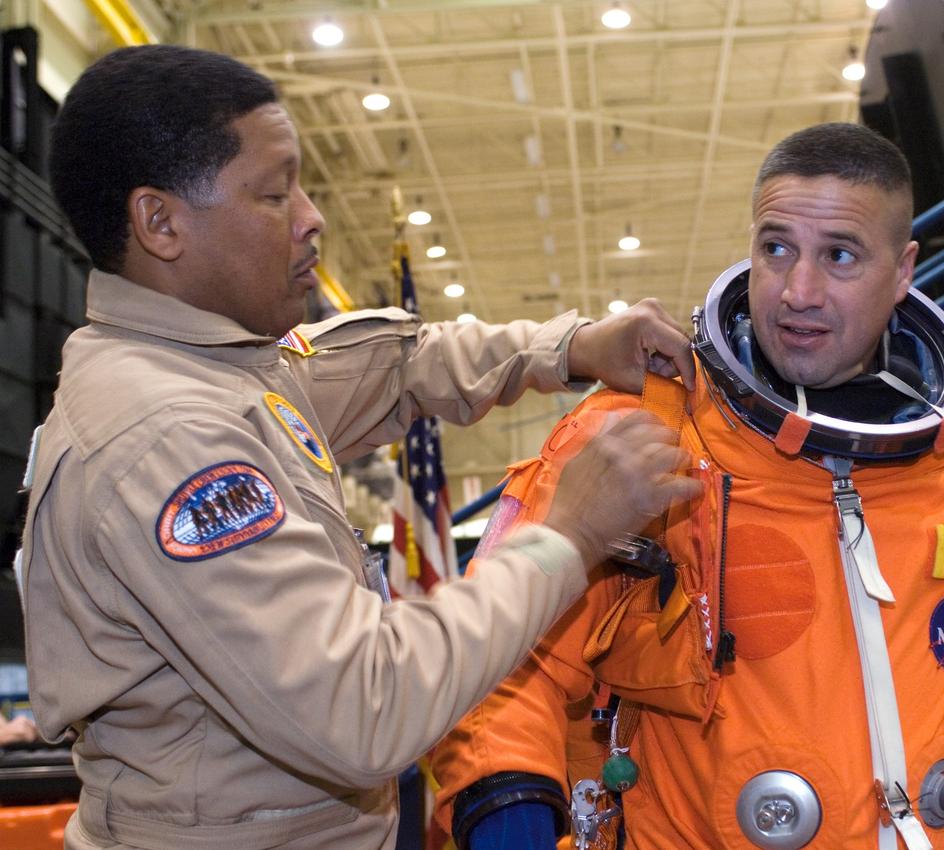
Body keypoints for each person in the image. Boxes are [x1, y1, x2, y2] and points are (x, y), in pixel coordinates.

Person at [17, 45, 703, 850]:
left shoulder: (221, 365)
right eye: (274, 194)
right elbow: (364, 706)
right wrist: (569, 536)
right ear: (160, 223)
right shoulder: (167, 439)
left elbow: (399, 363)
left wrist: (573, 346)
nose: (312, 217)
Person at [432, 123, 944, 850]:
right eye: (775, 248)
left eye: (839, 255)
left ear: (903, 270)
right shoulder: (646, 437)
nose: (797, 291)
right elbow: (500, 667)